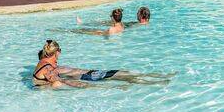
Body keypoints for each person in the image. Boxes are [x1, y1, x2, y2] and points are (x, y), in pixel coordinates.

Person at [31, 40, 173, 89]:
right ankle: (156, 80)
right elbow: (64, 81)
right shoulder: (48, 69)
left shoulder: (43, 62)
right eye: (60, 52)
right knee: (122, 76)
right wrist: (91, 87)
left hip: (88, 74)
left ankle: (157, 79)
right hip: (87, 77)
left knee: (121, 75)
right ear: (56, 52)